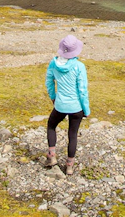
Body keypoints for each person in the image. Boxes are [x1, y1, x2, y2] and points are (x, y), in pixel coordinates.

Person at [45, 34, 90, 175]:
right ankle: (69, 166)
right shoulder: (79, 66)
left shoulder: (53, 63)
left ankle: (52, 156)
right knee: (73, 135)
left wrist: (53, 97)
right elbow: (83, 91)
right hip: (77, 107)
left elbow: (49, 82)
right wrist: (86, 110)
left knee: (51, 126)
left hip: (60, 105)